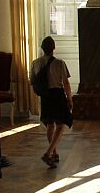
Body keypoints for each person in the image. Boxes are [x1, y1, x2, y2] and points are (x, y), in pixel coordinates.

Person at [30, 36, 73, 168]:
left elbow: (32, 81)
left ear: (42, 49)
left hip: (45, 96)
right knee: (60, 125)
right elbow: (65, 82)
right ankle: (48, 152)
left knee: (50, 125)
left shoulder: (35, 63)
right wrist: (69, 98)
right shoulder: (60, 63)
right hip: (57, 95)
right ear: (54, 48)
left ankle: (54, 152)